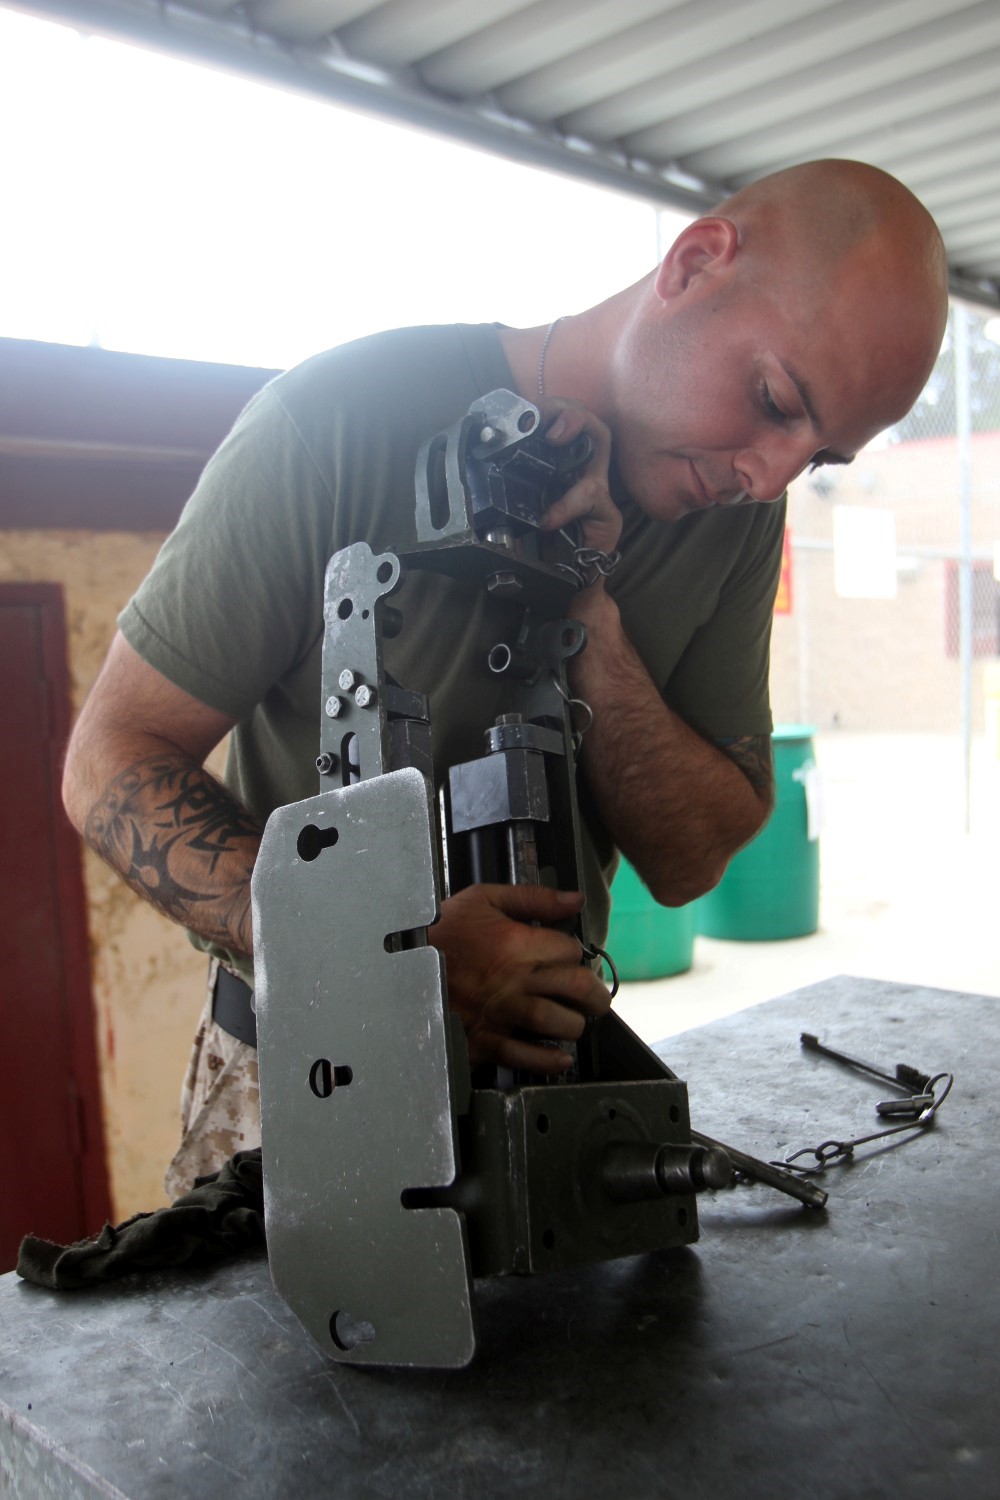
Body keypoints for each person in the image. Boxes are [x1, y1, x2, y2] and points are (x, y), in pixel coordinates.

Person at [62, 159, 948, 1196]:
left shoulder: (737, 519)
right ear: (696, 261)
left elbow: (690, 857)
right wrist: (384, 957)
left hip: (555, 1090)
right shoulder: (338, 420)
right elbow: (110, 760)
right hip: (302, 1082)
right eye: (771, 400)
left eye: (818, 458)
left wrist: (587, 617)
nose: (768, 473)